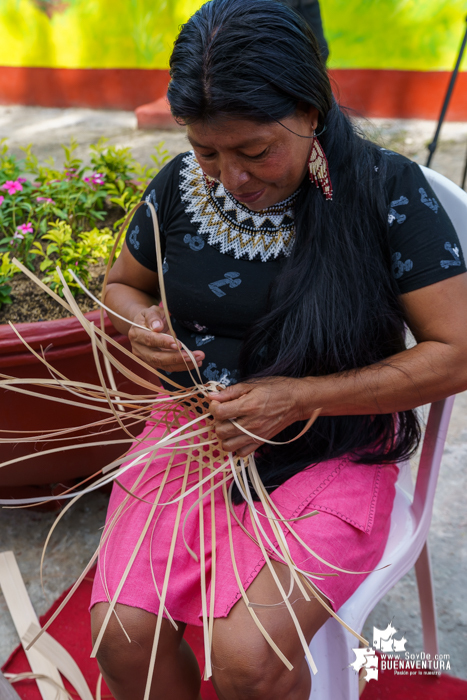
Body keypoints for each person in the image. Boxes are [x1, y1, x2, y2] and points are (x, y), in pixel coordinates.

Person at [90, 1, 467, 698]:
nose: (230, 176)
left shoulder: (387, 193)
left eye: (255, 151)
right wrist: (141, 321)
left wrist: (302, 396)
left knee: (247, 657)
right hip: (195, 432)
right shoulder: (176, 187)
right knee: (121, 634)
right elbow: (119, 287)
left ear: (310, 109)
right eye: (207, 150)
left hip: (334, 442)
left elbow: (455, 352)